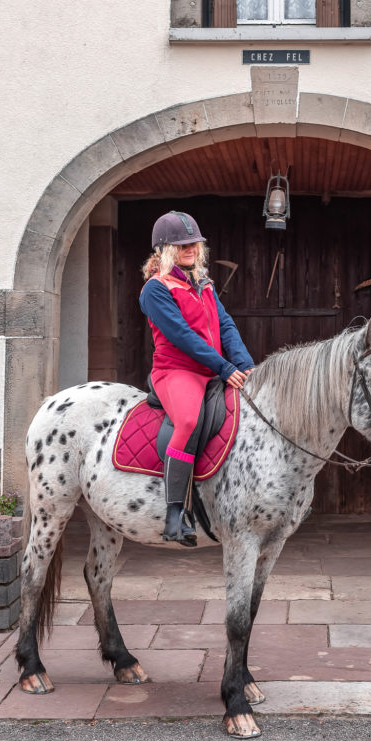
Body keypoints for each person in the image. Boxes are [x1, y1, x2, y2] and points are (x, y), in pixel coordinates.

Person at [139, 211, 254, 546]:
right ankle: (175, 512)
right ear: (163, 250)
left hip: (213, 368)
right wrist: (224, 368)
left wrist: (244, 363)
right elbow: (183, 336)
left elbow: (226, 325)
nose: (189, 248)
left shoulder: (203, 283)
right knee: (187, 420)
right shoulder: (156, 290)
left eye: (193, 243)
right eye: (181, 244)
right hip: (176, 371)